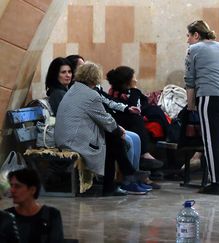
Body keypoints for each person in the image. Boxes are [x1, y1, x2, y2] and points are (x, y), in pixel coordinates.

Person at [55, 62, 150, 196]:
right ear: (96, 77)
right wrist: (119, 130)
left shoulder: (75, 89)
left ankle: (121, 179)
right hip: (74, 141)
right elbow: (105, 119)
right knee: (113, 139)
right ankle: (125, 177)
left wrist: (116, 130)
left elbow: (103, 119)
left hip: (66, 137)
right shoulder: (90, 95)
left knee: (112, 138)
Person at [184, 20, 219, 195]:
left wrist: (190, 106)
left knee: (210, 142)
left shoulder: (194, 49)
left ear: (196, 35)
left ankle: (215, 183)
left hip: (210, 97)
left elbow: (190, 81)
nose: (187, 40)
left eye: (188, 36)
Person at [106, 66, 165, 172]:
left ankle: (149, 171)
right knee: (136, 118)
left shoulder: (130, 92)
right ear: (128, 81)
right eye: (134, 78)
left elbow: (142, 105)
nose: (136, 80)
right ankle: (144, 155)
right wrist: (134, 89)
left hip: (131, 120)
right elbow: (134, 107)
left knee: (156, 114)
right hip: (120, 121)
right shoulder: (117, 93)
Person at [5, 168, 64, 242]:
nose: (12, 190)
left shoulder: (51, 215)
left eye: (17, 186)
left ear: (32, 190)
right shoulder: (6, 216)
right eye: (11, 185)